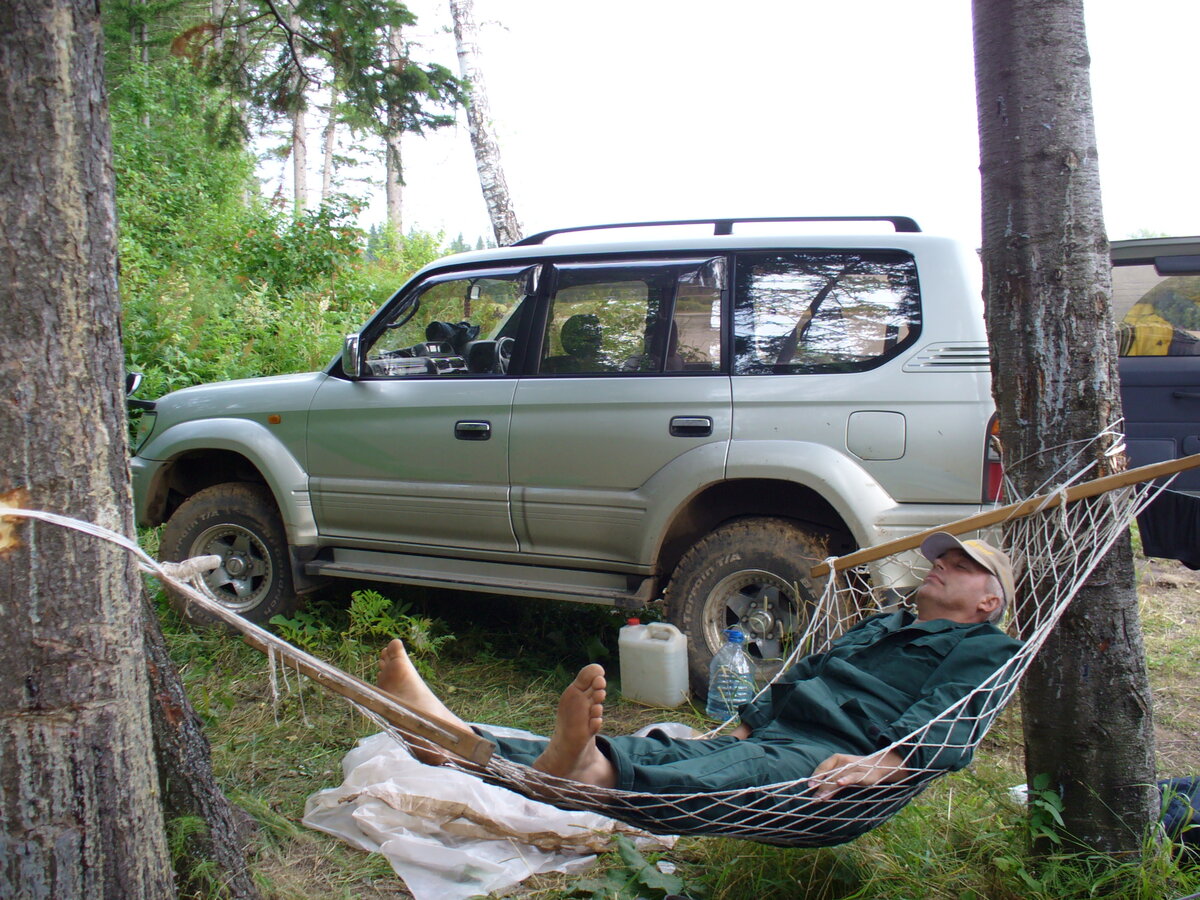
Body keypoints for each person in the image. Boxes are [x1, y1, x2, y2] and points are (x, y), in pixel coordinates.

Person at [377, 532, 1022, 802]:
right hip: (782, 730)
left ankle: (583, 768)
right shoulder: (888, 621)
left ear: (988, 601)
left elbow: (952, 722)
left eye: (962, 566)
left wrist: (880, 765)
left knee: (729, 774)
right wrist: (746, 721)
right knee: (668, 749)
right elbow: (804, 673)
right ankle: (454, 738)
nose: (941, 563)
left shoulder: (987, 649)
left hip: (832, 753)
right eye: (945, 557)